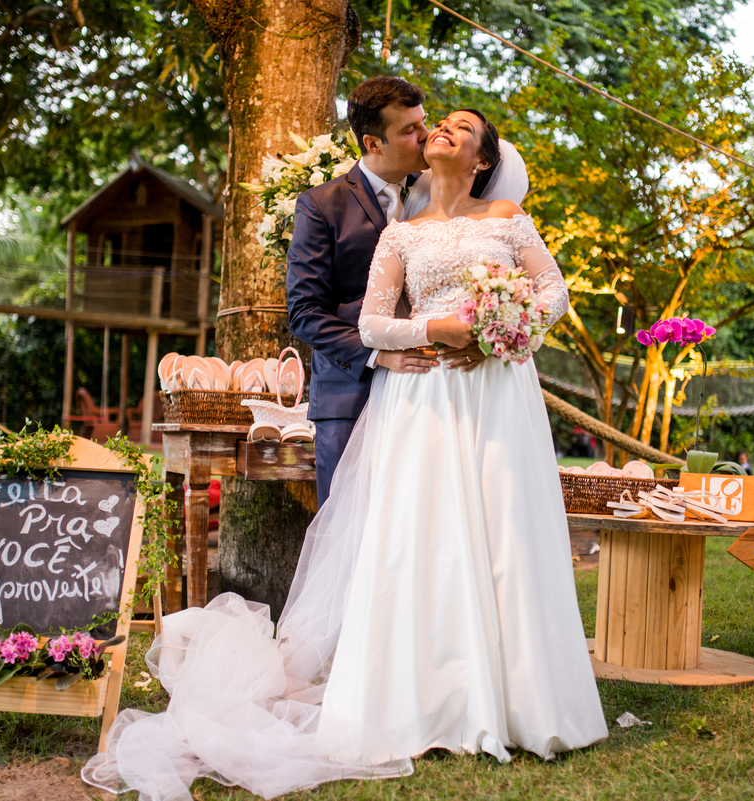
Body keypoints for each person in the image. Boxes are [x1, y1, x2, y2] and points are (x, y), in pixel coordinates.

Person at [81, 108, 607, 800]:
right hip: (422, 398)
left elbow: (554, 289)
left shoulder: (507, 215)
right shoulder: (400, 233)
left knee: (502, 529)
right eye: (437, 123)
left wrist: (508, 335)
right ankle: (427, 695)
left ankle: (517, 699)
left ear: (483, 159)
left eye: (461, 128)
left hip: (497, 393)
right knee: (420, 543)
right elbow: (369, 321)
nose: (443, 130)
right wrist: (434, 329)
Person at [286, 76, 482, 508]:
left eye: (423, 122)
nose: (425, 136)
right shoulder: (323, 205)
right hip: (350, 395)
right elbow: (304, 311)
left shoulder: (438, 192)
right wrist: (378, 354)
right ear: (373, 143)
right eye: (409, 131)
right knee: (349, 532)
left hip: (431, 393)